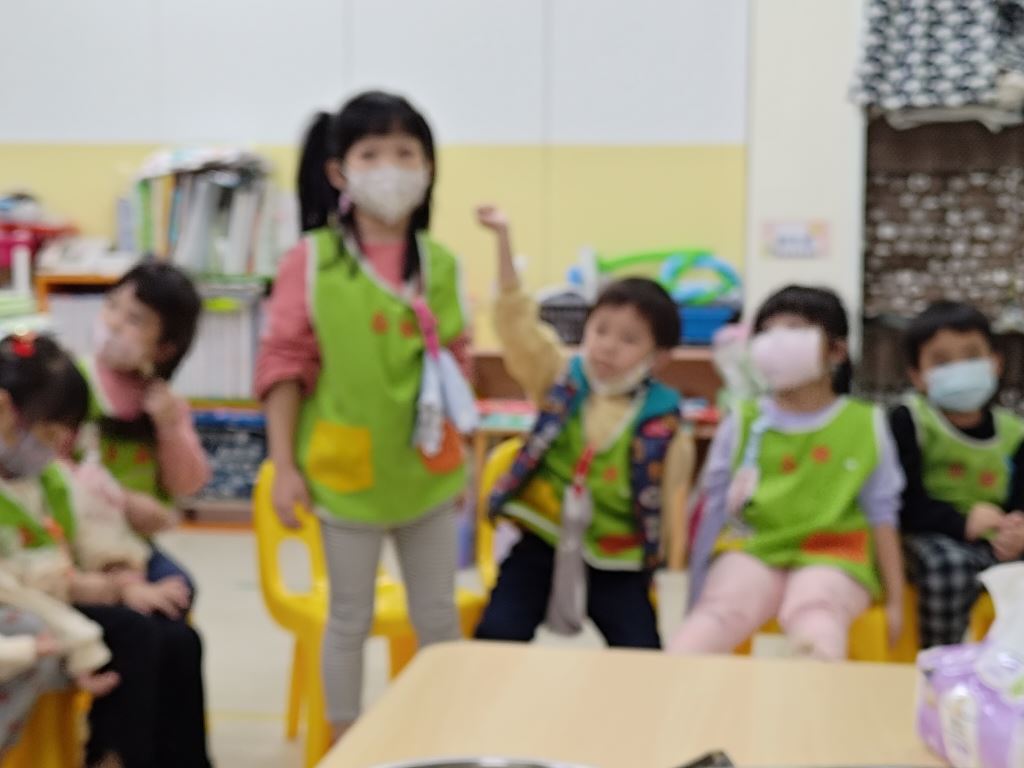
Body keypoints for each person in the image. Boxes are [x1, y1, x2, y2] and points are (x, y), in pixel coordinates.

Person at [256, 90, 475, 739]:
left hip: (428, 472)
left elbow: (457, 368)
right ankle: (344, 742)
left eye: (406, 153)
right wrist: (284, 466)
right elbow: (284, 368)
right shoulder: (312, 262)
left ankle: (443, 737)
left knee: (437, 616)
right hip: (344, 474)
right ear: (338, 171)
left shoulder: (442, 264)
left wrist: (464, 459)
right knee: (348, 618)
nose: (391, 168)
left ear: (429, 167)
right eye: (372, 153)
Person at [473, 205, 694, 649]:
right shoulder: (560, 377)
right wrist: (503, 242)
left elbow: (672, 501)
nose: (608, 347)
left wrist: (664, 559)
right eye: (601, 330)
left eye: (629, 339)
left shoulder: (665, 420)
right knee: (498, 633)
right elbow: (518, 327)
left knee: (642, 651)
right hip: (544, 537)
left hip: (617, 555)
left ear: (659, 357)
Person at [0, 333, 209, 768]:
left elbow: (94, 529)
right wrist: (99, 588)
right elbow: (15, 579)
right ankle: (112, 756)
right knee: (136, 635)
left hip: (62, 592)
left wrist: (124, 576)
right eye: (48, 433)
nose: (55, 448)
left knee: (179, 638)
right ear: (4, 411)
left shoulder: (47, 475)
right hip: (29, 604)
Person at [669, 286, 906, 660]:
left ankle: (812, 692)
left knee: (817, 612)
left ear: (837, 350)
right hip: (753, 549)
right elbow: (714, 508)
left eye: (794, 329)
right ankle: (677, 685)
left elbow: (882, 514)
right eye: (767, 331)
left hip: (835, 554)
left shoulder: (866, 424)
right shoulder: (743, 420)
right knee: (720, 610)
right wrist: (695, 597)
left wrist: (896, 601)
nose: (776, 342)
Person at [892, 300, 1024, 648]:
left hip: (995, 540)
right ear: (917, 375)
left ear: (996, 362)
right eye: (942, 361)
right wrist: (962, 523)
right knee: (949, 568)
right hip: (930, 536)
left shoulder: (1014, 433)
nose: (960, 368)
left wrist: (1016, 528)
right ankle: (941, 659)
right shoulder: (910, 421)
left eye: (972, 355)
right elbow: (902, 502)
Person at [77, 261, 209, 603]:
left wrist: (169, 427)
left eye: (134, 320)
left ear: (165, 348)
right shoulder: (73, 384)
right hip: (79, 539)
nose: (113, 322)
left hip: (134, 544)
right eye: (111, 306)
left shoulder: (163, 403)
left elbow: (187, 484)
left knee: (181, 591)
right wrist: (122, 502)